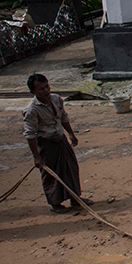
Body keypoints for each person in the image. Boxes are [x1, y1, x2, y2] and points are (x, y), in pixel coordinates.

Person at [23, 73, 92, 212]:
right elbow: (30, 134)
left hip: (61, 140)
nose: (46, 90)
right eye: (41, 89)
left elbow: (64, 117)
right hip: (47, 144)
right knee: (51, 174)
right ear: (33, 92)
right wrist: (36, 156)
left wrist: (71, 134)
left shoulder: (56, 99)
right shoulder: (31, 110)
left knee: (70, 168)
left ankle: (75, 198)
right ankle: (55, 204)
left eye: (47, 86)